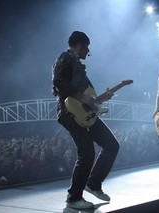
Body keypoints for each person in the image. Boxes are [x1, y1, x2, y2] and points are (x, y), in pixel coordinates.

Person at [52, 31, 120, 209]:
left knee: (112, 145)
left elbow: (88, 96)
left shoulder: (77, 65)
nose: (87, 51)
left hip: (85, 111)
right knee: (87, 151)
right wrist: (81, 97)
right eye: (86, 47)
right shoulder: (65, 57)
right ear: (79, 45)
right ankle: (74, 198)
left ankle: (93, 184)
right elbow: (58, 81)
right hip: (69, 111)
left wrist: (100, 98)